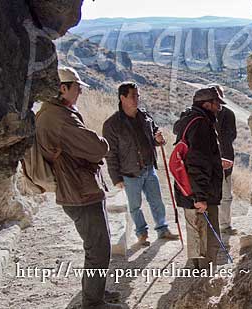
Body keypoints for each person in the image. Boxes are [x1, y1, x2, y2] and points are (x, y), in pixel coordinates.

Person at [36, 67, 123, 308]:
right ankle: (92, 302)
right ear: (62, 88)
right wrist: (100, 143)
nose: (80, 92)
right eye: (77, 87)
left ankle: (96, 293)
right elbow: (98, 148)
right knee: (98, 248)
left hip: (78, 188)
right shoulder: (60, 118)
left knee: (97, 246)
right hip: (80, 191)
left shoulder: (53, 114)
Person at [102, 82, 179, 246]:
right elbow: (111, 154)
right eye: (133, 96)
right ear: (122, 98)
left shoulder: (145, 117)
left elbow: (155, 136)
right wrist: (116, 178)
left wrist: (159, 140)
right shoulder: (112, 124)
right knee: (135, 206)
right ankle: (142, 233)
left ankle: (162, 229)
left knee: (156, 201)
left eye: (137, 96)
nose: (136, 99)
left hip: (149, 168)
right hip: (129, 173)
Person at [173, 87, 227, 269]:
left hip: (189, 189)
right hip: (200, 192)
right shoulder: (201, 125)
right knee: (206, 238)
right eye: (216, 104)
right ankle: (204, 278)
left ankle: (198, 272)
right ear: (206, 104)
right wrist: (200, 197)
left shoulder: (189, 120)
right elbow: (197, 163)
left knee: (196, 234)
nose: (218, 108)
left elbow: (196, 157)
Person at [209, 84, 237, 234]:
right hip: (209, 163)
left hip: (225, 159)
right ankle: (212, 226)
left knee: (226, 195)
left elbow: (230, 136)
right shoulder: (202, 115)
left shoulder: (228, 114)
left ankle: (225, 225)